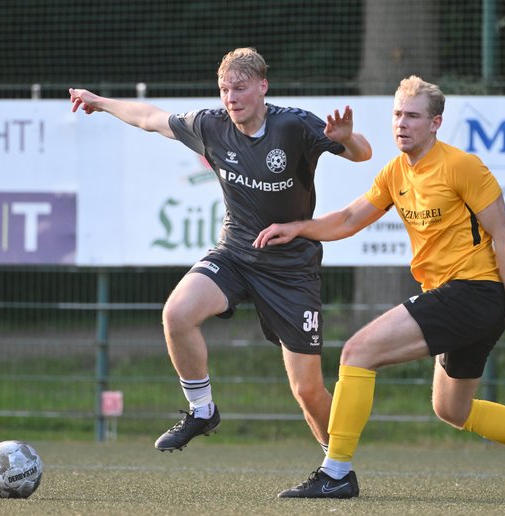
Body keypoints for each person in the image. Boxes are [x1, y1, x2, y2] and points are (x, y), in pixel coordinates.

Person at [254, 75, 505, 501]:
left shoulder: (462, 166)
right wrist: (298, 227)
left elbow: (504, 236)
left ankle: (336, 472)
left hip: (474, 292)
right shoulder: (395, 173)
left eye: (412, 116)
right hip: (464, 299)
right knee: (453, 409)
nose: (401, 124)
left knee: (357, 352)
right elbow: (349, 219)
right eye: (397, 115)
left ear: (435, 123)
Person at [69, 47, 372, 456]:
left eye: (240, 88)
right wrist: (100, 102)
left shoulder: (294, 126)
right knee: (177, 313)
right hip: (235, 255)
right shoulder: (210, 126)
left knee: (308, 390)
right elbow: (149, 118)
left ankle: (337, 467)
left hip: (290, 269)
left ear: (263, 87)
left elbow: (363, 154)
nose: (231, 97)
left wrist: (347, 138)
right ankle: (202, 410)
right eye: (225, 89)